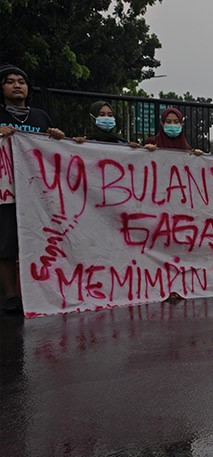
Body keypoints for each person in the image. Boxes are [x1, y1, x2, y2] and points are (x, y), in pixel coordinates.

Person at [0, 64, 65, 314]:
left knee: (42, 241)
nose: (17, 85)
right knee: (6, 244)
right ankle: (11, 295)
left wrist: (57, 136)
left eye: (22, 81)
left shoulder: (40, 117)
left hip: (39, 193)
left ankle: (41, 290)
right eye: (10, 81)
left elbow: (53, 152)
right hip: (7, 193)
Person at [73, 100, 139, 147]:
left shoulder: (121, 143)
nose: (107, 118)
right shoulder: (86, 141)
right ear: (93, 118)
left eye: (110, 115)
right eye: (102, 114)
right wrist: (77, 144)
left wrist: (133, 149)